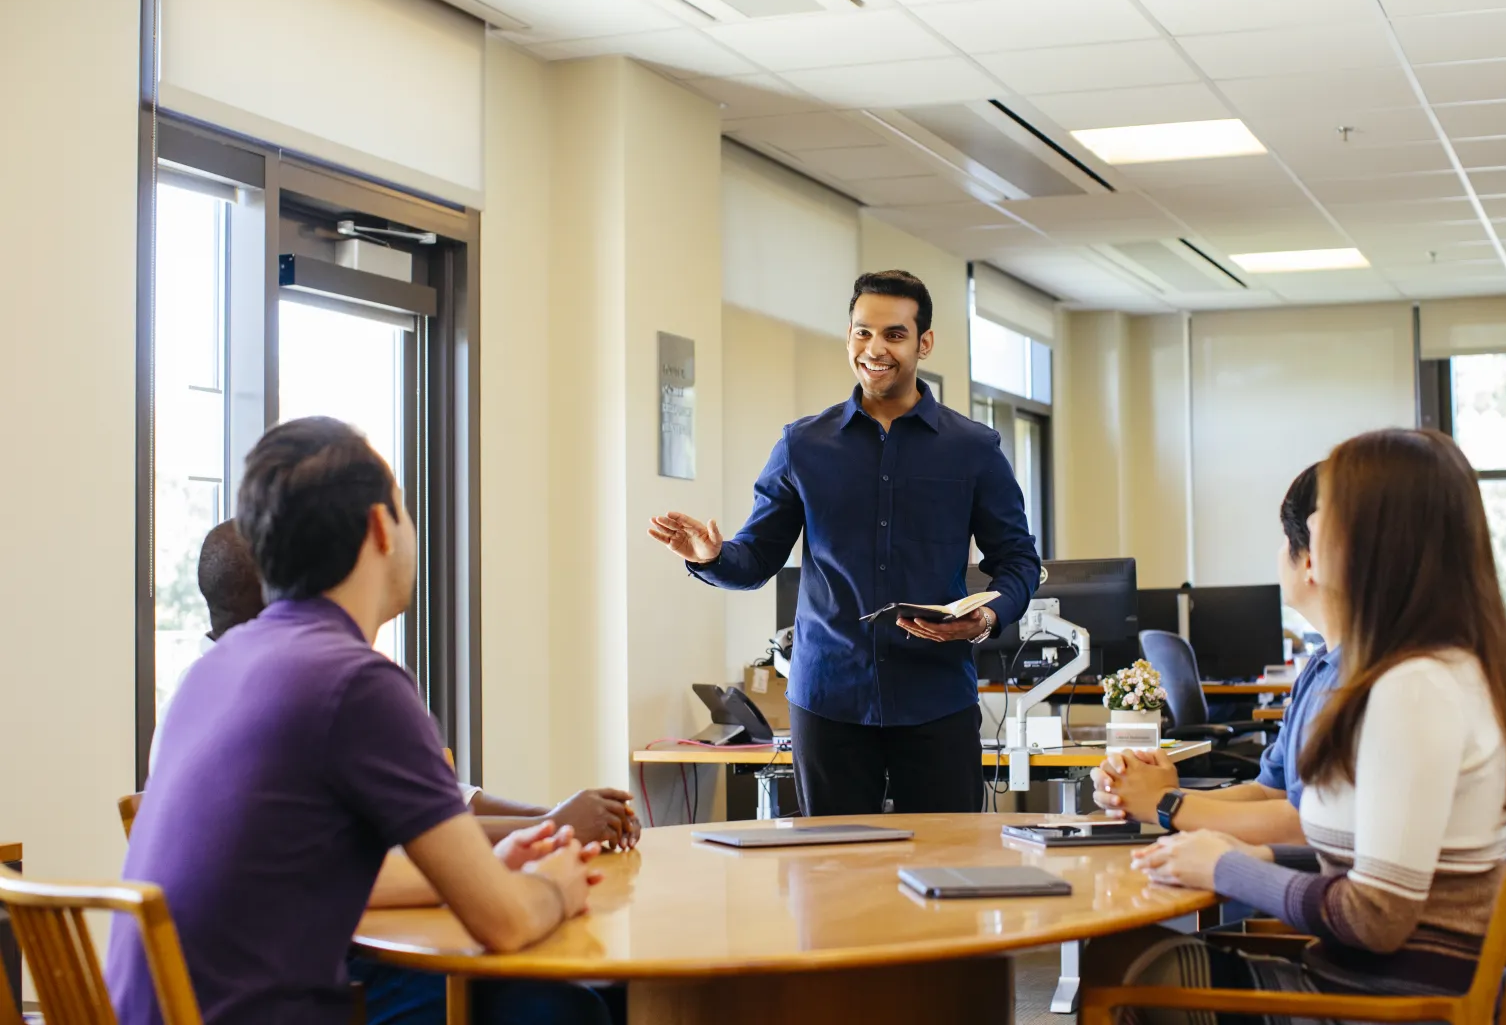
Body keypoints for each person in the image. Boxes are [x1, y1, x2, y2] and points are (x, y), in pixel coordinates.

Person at [109, 417, 614, 1025]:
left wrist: (496, 864)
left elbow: (306, 876)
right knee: (564, 1011)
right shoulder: (356, 684)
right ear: (380, 526)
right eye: (404, 510)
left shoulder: (209, 674)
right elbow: (505, 922)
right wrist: (558, 883)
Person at [1093, 428, 1506, 1017]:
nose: (1304, 536)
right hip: (1382, 983)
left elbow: (1375, 917)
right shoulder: (1433, 669)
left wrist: (1227, 866)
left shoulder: (1412, 689)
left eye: (1329, 514)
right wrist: (1264, 861)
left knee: (1135, 978)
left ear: (1380, 540)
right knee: (1131, 955)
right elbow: (1375, 864)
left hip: (1390, 1005)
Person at [649, 270, 1041, 816]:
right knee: (830, 878)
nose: (874, 349)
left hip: (936, 700)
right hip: (828, 700)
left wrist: (988, 617)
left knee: (947, 875)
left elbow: (1018, 560)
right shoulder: (802, 445)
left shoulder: (973, 449)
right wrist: (711, 558)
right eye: (862, 332)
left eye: (894, 335)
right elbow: (758, 557)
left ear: (924, 343)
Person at [152, 521, 641, 852]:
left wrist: (559, 817)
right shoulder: (307, 693)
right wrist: (553, 828)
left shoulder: (193, 693)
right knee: (563, 1002)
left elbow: (438, 802)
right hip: (305, 985)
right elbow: (408, 847)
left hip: (213, 981)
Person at [1091, 462, 1339, 844]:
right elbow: (1268, 792)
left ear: (1308, 559)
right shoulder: (1319, 669)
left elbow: (1307, 826)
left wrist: (1165, 805)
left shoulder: (1359, 682)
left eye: (1284, 539)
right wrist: (1160, 796)